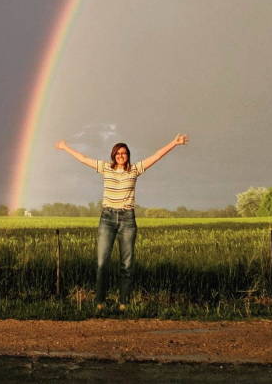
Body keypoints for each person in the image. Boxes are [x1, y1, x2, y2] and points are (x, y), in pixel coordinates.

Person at [55, 133, 188, 311]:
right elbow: (83, 159)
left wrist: (174, 143)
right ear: (113, 156)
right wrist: (65, 147)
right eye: (117, 153)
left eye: (124, 153)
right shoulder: (105, 168)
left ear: (128, 155)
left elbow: (156, 156)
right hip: (107, 219)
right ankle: (100, 303)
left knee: (126, 264)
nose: (120, 156)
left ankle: (123, 303)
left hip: (127, 220)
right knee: (102, 263)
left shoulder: (135, 169)